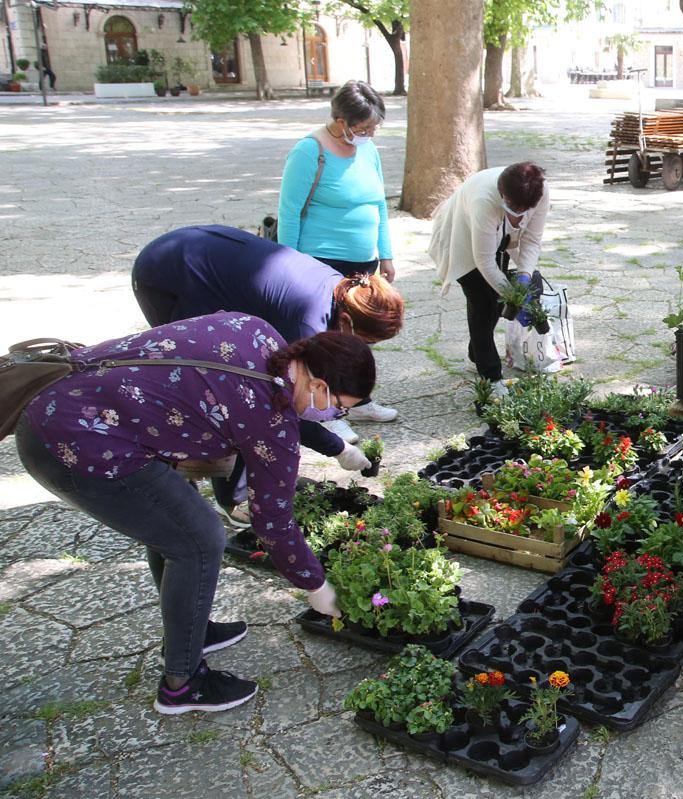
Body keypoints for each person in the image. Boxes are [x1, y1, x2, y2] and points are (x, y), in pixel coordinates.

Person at [14, 313, 362, 714]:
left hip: (65, 405)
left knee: (176, 525)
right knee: (199, 540)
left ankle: (192, 631)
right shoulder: (270, 421)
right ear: (319, 385)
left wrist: (336, 447)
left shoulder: (260, 335)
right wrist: (316, 586)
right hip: (75, 446)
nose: (334, 416)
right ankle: (182, 683)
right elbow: (273, 522)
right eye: (338, 408)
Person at [131, 224, 405, 523]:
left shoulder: (347, 291)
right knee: (223, 387)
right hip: (170, 273)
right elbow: (277, 403)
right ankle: (231, 498)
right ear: (346, 320)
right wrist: (336, 448)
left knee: (240, 383)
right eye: (367, 341)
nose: (364, 348)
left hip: (205, 251)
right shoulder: (305, 322)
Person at [428, 162, 549, 392]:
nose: (519, 213)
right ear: (503, 194)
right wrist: (513, 297)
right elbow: (483, 260)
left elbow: (532, 240)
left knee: (496, 302)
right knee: (481, 303)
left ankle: (477, 353)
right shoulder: (484, 200)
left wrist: (524, 277)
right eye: (513, 206)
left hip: (500, 239)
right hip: (465, 237)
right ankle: (491, 376)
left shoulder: (541, 191)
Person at [278, 80, 394, 284]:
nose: (371, 134)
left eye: (375, 127)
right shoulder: (308, 152)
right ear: (341, 122)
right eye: (364, 129)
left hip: (366, 266)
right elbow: (289, 213)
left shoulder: (369, 149)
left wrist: (386, 255)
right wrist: (289, 269)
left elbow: (379, 205)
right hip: (321, 265)